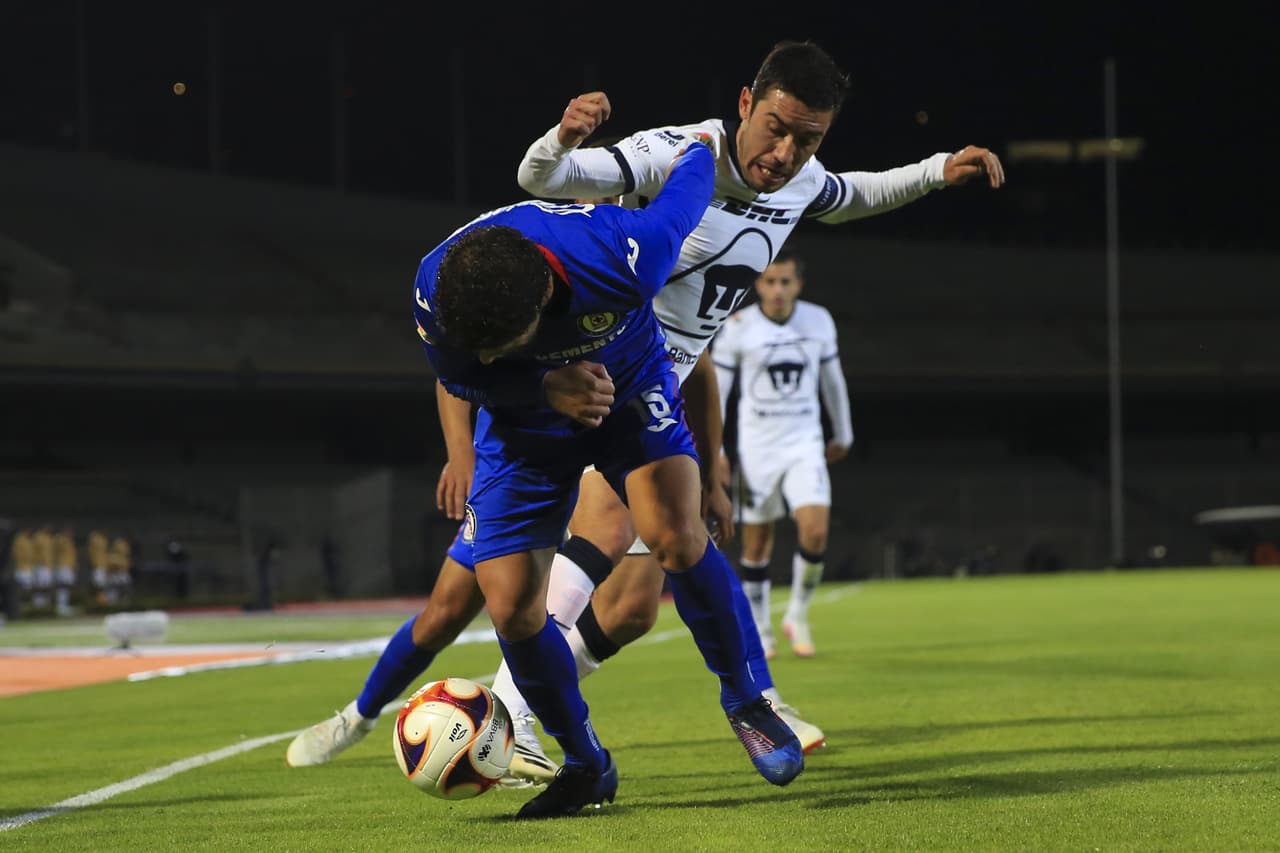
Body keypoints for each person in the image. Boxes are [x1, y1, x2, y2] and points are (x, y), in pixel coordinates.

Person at [480, 36, 1003, 772]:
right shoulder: (677, 153)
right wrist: (561, 138)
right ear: (746, 105)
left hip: (667, 389)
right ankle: (507, 716)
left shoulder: (799, 181)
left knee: (630, 608)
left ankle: (511, 704)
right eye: (777, 128)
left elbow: (853, 195)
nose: (786, 152)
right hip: (603, 369)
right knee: (607, 523)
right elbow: (545, 178)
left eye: (808, 138)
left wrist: (935, 172)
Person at [291, 140, 804, 819]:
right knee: (509, 605)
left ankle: (745, 698)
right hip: (520, 423)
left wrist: (695, 147)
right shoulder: (435, 288)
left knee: (676, 535)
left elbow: (693, 175)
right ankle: (588, 763)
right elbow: (462, 377)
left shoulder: (625, 251)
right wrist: (539, 384)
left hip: (624, 386)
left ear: (542, 303)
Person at [711, 251, 854, 658]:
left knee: (816, 531)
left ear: (798, 284)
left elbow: (832, 380)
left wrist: (842, 432)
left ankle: (798, 614)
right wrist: (717, 449)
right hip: (757, 449)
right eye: (770, 282)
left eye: (785, 282)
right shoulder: (738, 327)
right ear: (758, 284)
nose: (778, 290)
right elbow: (717, 394)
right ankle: (761, 627)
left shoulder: (818, 320)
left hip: (804, 443)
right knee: (756, 545)